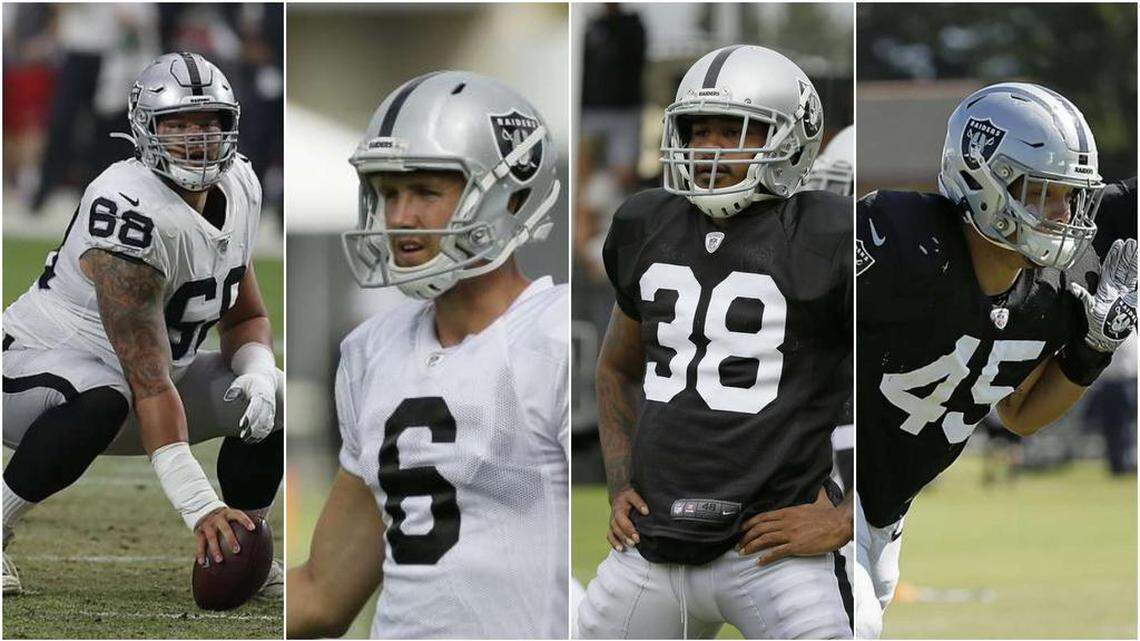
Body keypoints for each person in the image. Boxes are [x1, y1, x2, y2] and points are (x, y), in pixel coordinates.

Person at [577, 44, 854, 639]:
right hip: (649, 550)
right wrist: (621, 482)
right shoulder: (645, 223)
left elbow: (897, 386)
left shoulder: (827, 234)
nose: (708, 149)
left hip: (772, 554)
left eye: (734, 133)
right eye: (697, 131)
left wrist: (848, 516)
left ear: (791, 139)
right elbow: (615, 368)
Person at [286, 71, 569, 639]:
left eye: (426, 192)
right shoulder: (371, 350)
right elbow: (323, 592)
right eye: (389, 193)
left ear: (509, 196)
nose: (401, 218)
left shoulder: (557, 337)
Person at [854, 82, 1137, 638]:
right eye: (1044, 192)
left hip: (887, 516)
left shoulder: (1050, 291)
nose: (1065, 214)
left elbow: (1021, 414)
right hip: (825, 487)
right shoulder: (899, 244)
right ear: (984, 182)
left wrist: (1093, 351)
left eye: (1072, 196)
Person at [2, 52, 284, 597]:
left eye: (209, 122)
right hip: (32, 377)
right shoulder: (127, 207)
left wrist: (257, 370)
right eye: (177, 124)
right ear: (146, 130)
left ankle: (247, 545)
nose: (197, 139)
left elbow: (246, 315)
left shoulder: (243, 187)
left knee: (271, 401)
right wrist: (201, 507)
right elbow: (148, 382)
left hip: (142, 391)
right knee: (107, 393)